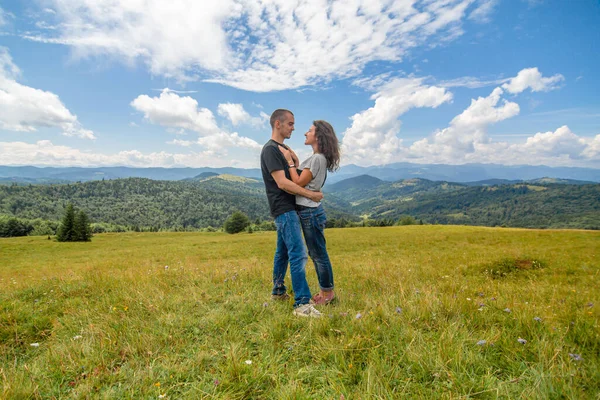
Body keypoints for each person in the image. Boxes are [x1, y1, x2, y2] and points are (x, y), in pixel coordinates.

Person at [260, 109, 324, 318]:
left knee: (283, 252)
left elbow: (293, 175)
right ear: (277, 124)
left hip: (289, 208)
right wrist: (310, 195)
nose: (294, 128)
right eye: (290, 124)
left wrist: (295, 164)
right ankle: (302, 305)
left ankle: (278, 292)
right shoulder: (270, 149)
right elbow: (282, 182)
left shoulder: (283, 148)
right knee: (298, 253)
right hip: (284, 208)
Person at [278, 120, 340, 305]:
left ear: (319, 135)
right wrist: (296, 162)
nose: (305, 133)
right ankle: (326, 291)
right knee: (317, 252)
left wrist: (289, 162)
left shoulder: (317, 158)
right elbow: (303, 177)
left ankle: (327, 294)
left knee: (318, 253)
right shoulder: (316, 158)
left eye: (310, 130)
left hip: (310, 212)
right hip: (309, 211)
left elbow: (297, 182)